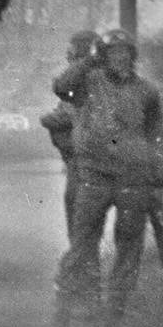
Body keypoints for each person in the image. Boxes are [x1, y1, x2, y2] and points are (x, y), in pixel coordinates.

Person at [54, 29, 163, 327]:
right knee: (82, 243)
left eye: (125, 53)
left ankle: (114, 314)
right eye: (113, 53)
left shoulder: (147, 91)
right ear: (103, 57)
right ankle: (62, 311)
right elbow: (60, 86)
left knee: (129, 246)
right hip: (95, 176)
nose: (121, 58)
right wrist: (89, 61)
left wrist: (159, 175)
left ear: (133, 56)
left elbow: (156, 136)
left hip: (135, 178)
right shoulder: (88, 83)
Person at [40, 30, 100, 239]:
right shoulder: (77, 74)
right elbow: (62, 92)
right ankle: (80, 253)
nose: (73, 53)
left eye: (79, 47)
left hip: (100, 149)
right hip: (82, 151)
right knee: (76, 202)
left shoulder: (97, 73)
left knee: (81, 203)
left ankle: (82, 251)